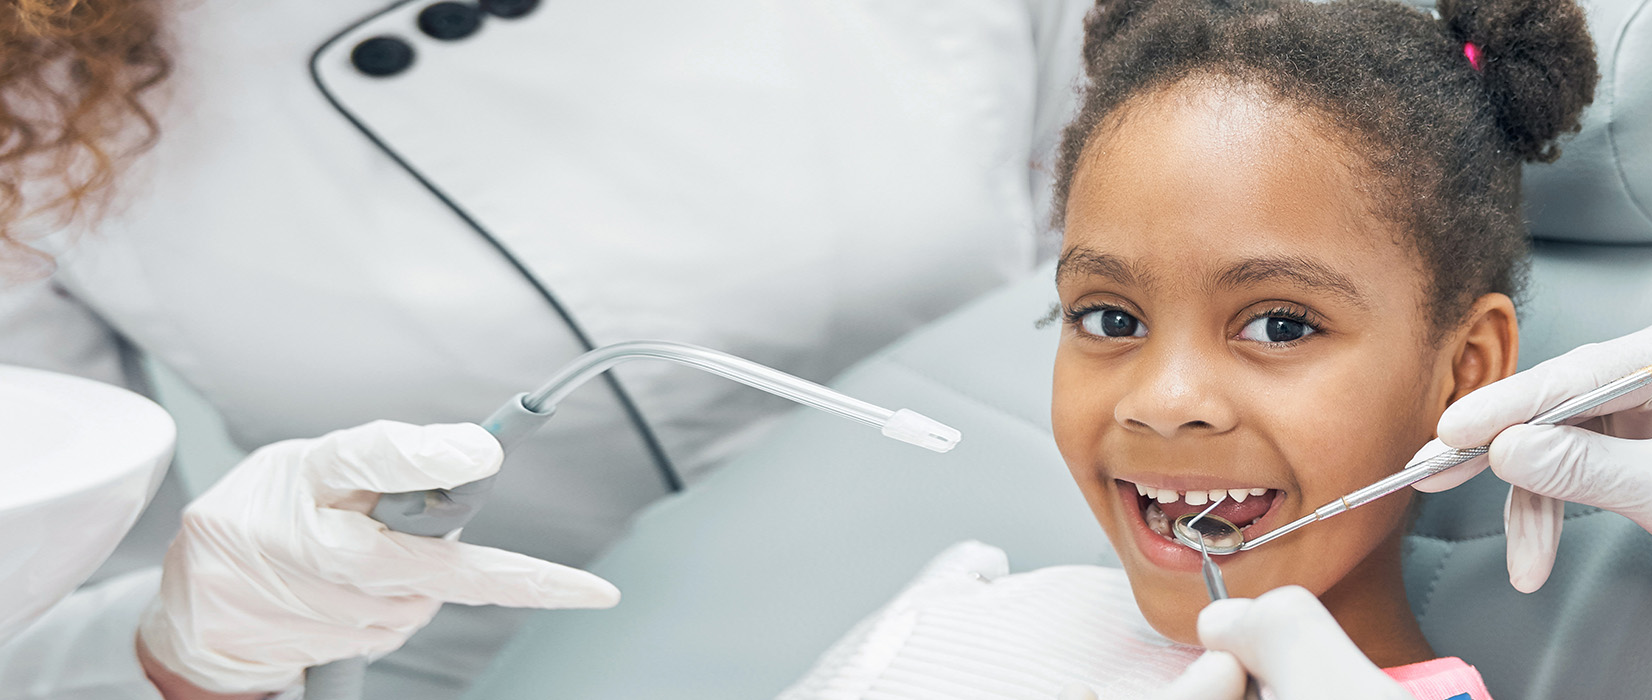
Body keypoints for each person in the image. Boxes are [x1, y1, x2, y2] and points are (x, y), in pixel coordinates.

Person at [0, 0, 1094, 697]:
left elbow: (1189, 250)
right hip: (500, 675)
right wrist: (191, 647)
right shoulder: (23, 112)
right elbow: (38, 626)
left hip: (1089, 578)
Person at [783, 0, 1596, 696]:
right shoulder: (954, 613)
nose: (1164, 402)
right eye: (1110, 320)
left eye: (1280, 325)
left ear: (1466, 374)